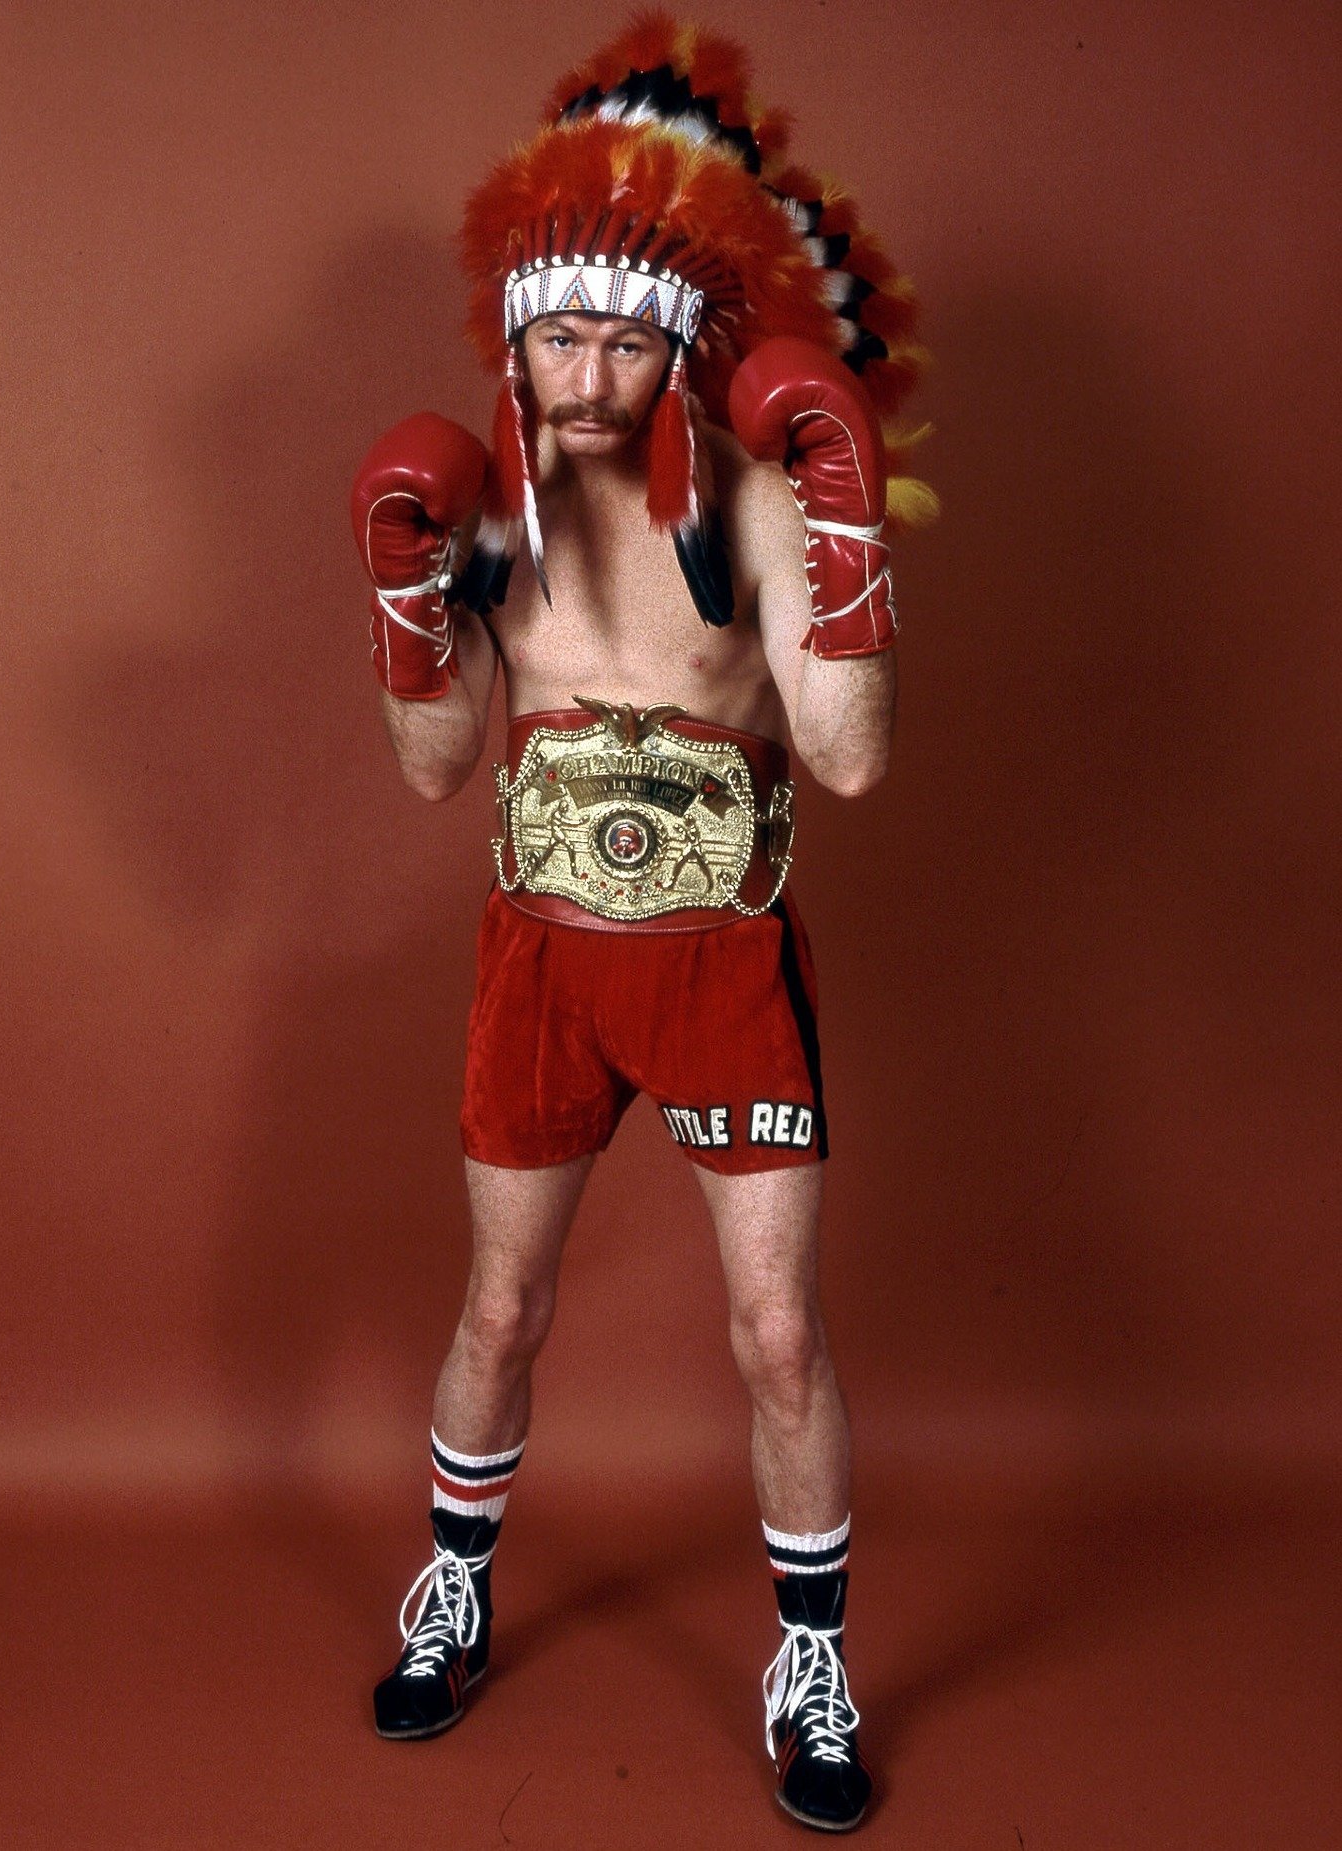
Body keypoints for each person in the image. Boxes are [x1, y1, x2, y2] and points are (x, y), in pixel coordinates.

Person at [349, 17, 932, 1833]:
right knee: (504, 1304)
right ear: (509, 334)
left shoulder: (752, 504)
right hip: (541, 964)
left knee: (774, 1337)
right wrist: (396, 598)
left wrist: (843, 532)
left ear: (677, 336)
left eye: (616, 332)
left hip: (720, 969)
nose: (583, 369)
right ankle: (451, 1584)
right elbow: (441, 771)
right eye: (554, 330)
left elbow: (839, 764)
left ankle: (810, 1658)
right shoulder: (486, 514)